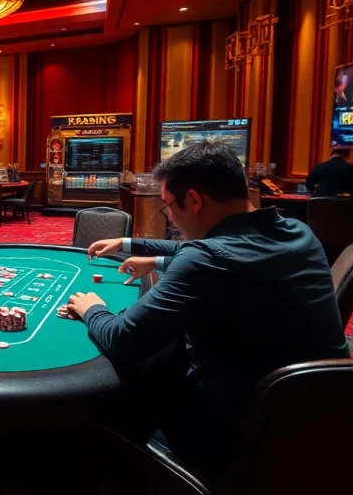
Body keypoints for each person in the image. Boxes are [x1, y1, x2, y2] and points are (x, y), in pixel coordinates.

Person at [66, 141, 348, 477]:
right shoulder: (299, 233)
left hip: (231, 440)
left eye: (167, 206)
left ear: (194, 200)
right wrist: (142, 250)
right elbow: (216, 252)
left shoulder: (206, 260)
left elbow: (122, 338)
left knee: (105, 405)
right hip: (317, 423)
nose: (168, 214)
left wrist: (92, 308)